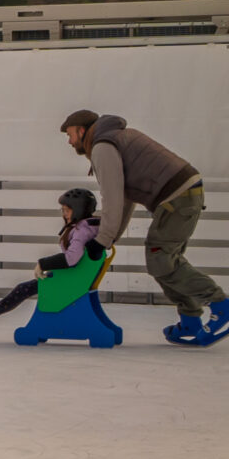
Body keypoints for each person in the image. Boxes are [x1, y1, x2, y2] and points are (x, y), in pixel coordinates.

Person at [61, 110, 225, 346]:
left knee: (160, 260)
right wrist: (111, 236)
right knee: (167, 260)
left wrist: (102, 241)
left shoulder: (102, 147)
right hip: (184, 193)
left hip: (176, 197)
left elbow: (113, 198)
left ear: (82, 130)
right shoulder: (113, 139)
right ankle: (190, 320)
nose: (69, 141)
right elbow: (126, 198)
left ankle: (220, 305)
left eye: (70, 134)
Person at [0, 189, 103, 335]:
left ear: (78, 210)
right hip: (74, 278)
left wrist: (43, 264)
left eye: (67, 210)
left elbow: (72, 258)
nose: (63, 214)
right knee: (24, 288)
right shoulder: (89, 227)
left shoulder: (82, 231)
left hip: (70, 281)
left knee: (22, 289)